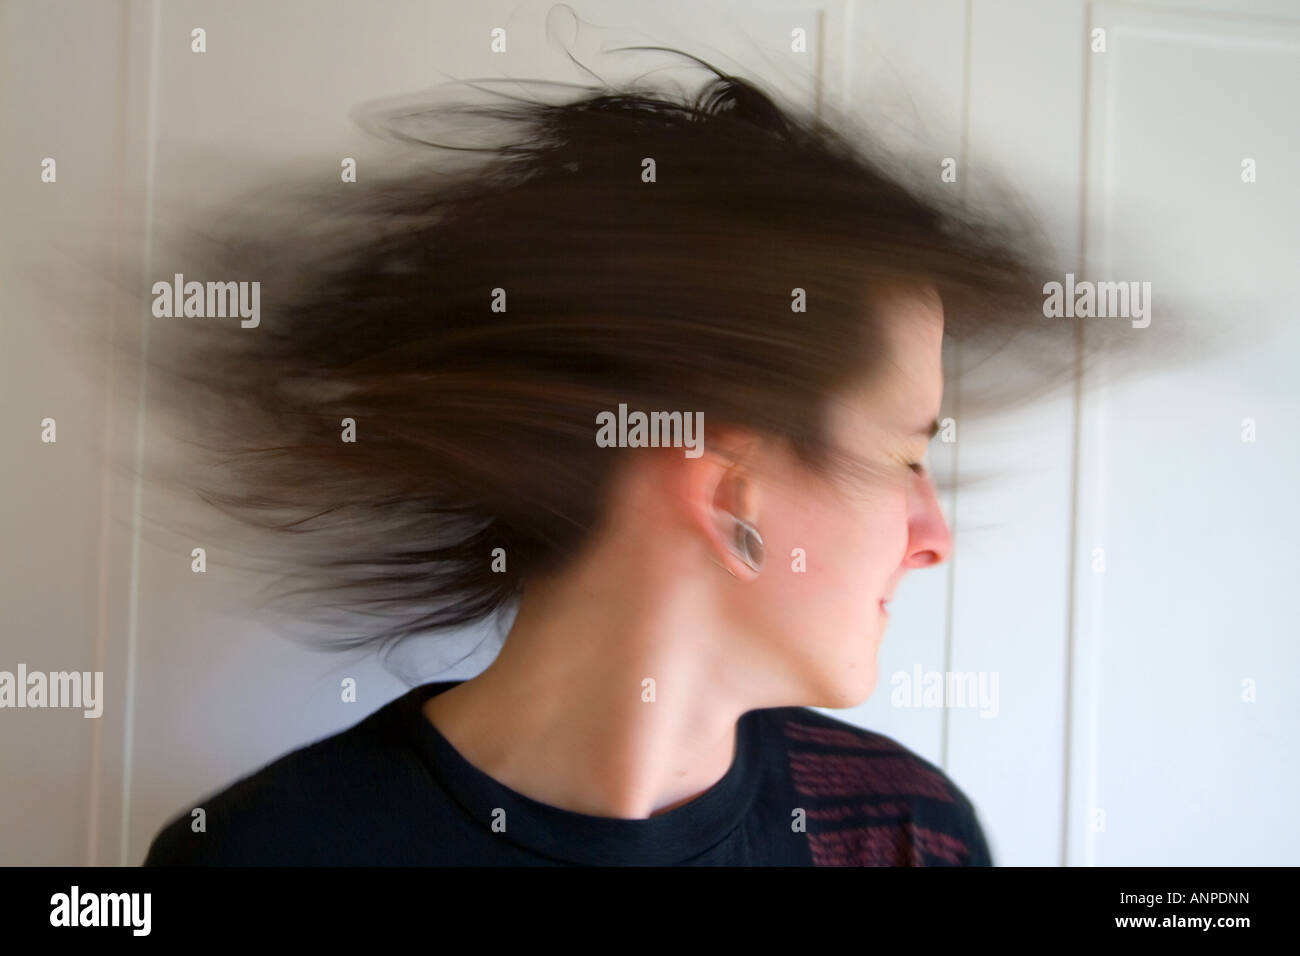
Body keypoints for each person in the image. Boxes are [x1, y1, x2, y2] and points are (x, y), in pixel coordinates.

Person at [140, 59, 1067, 866]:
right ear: (729, 488)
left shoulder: (908, 836)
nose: (934, 539)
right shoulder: (260, 856)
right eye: (906, 456)